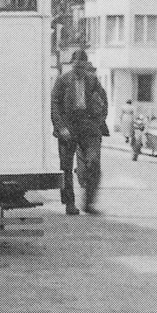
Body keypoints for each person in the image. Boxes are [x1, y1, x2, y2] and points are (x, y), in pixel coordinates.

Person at [50, 49, 108, 215]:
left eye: (82, 67)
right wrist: (61, 128)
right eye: (76, 66)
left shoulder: (92, 80)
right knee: (66, 168)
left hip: (88, 126)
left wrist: (98, 123)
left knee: (93, 162)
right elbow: (54, 104)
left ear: (86, 66)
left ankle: (88, 203)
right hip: (68, 126)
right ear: (72, 64)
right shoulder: (62, 80)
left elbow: (103, 101)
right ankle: (70, 203)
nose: (79, 70)